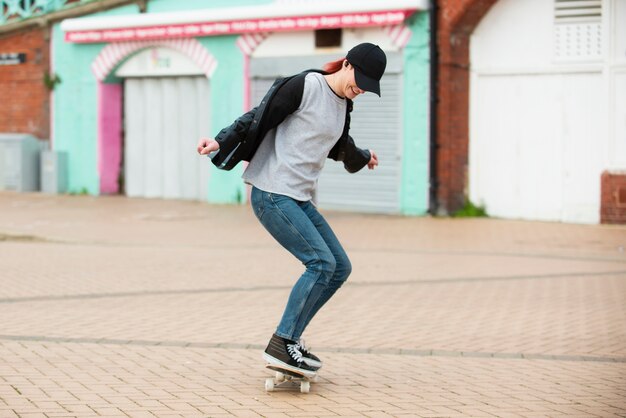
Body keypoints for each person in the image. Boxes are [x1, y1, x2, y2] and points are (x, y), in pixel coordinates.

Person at [197, 43, 386, 376]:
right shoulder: (304, 85)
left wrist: (363, 154)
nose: (361, 90)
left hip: (298, 196)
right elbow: (259, 115)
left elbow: (339, 145)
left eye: (369, 88)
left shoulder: (344, 105)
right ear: (346, 64)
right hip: (273, 192)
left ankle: (290, 342)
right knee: (320, 263)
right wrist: (221, 141)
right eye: (361, 80)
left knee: (339, 267)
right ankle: (283, 342)